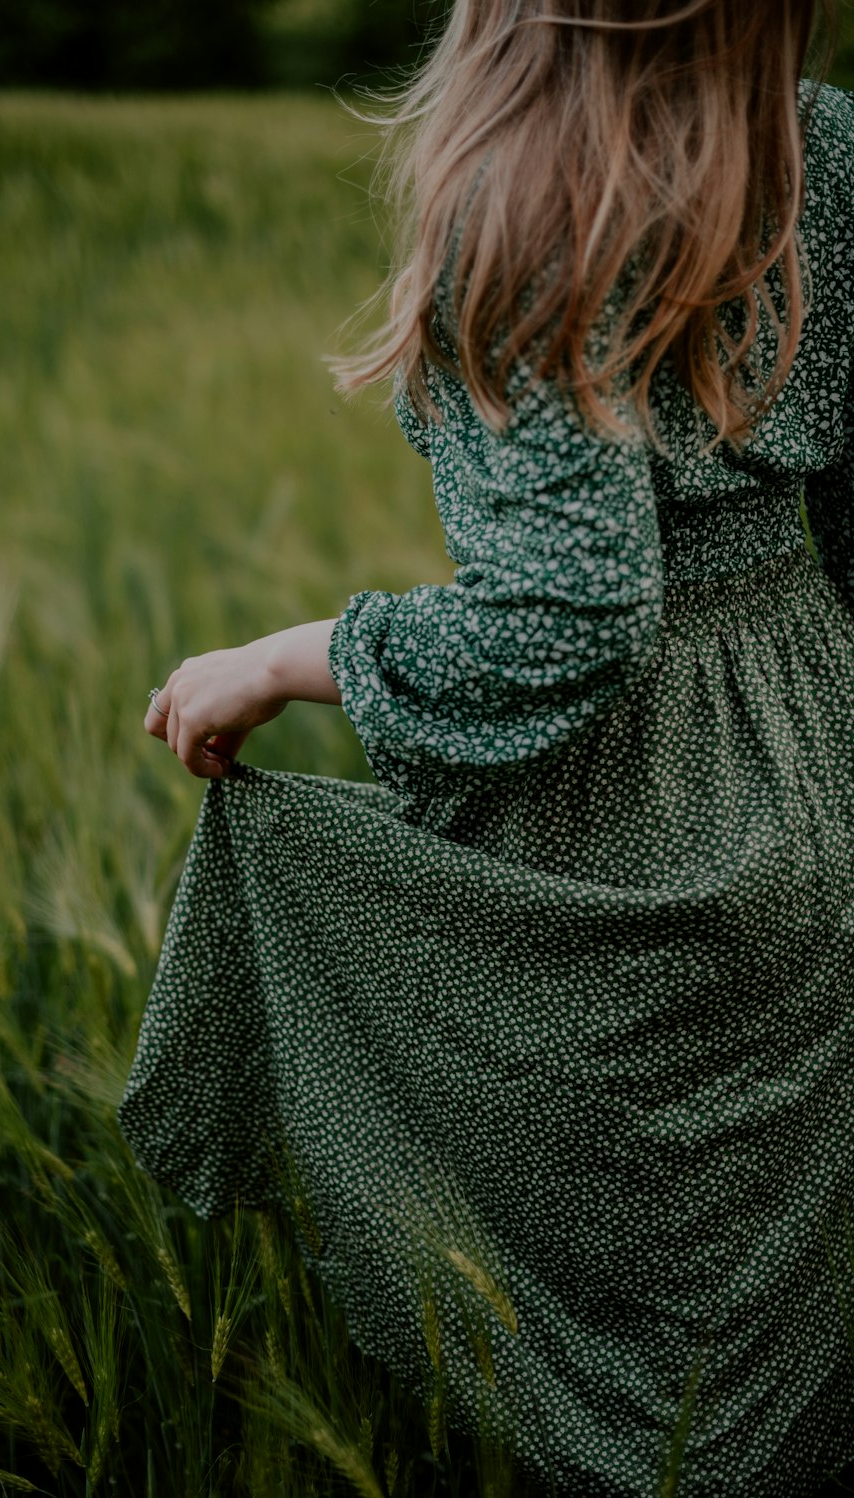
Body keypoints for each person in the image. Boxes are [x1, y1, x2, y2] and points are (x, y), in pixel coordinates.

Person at [118, 1, 854, 1492]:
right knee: (786, 1317)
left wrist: (273, 660)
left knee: (650, 1375)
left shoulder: (537, 202)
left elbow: (570, 620)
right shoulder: (826, 148)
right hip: (819, 741)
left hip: (634, 814)